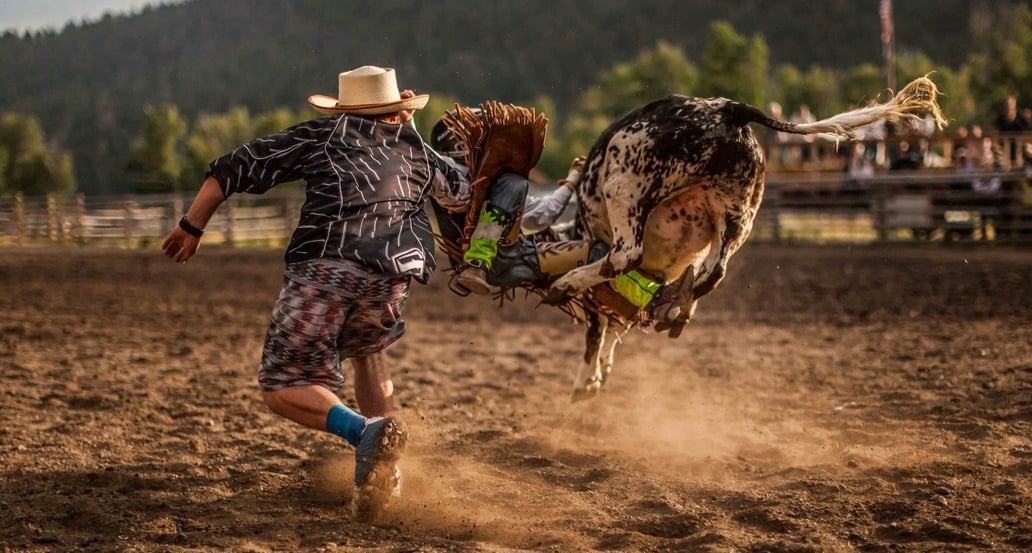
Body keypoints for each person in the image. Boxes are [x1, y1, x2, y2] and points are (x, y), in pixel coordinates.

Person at [160, 65, 469, 522]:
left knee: (282, 383)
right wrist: (412, 133)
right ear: (398, 110)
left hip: (327, 266)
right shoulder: (416, 151)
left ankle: (364, 432)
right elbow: (462, 193)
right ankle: (388, 475)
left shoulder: (324, 137)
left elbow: (234, 167)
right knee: (369, 352)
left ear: (345, 107)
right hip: (391, 277)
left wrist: (191, 225)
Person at [428, 111, 666, 314]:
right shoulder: (450, 174)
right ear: (460, 145)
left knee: (599, 254)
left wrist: (572, 179)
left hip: (519, 257)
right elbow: (421, 155)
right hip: (513, 258)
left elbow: (544, 213)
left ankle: (656, 303)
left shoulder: (497, 184)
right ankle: (478, 260)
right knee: (515, 184)